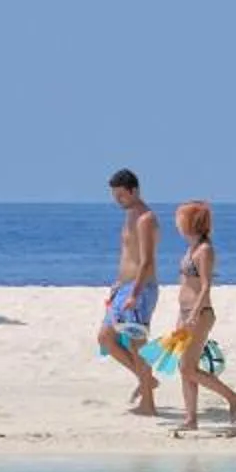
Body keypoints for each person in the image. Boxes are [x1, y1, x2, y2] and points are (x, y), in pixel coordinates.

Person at [166, 200, 236, 435]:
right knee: (184, 367)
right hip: (184, 315)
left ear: (190, 222)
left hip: (199, 315)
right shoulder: (189, 249)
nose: (177, 223)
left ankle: (233, 398)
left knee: (187, 368)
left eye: (180, 219)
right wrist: (182, 316)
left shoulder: (204, 250)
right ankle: (190, 418)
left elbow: (205, 285)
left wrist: (193, 313)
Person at [99, 168, 160, 417]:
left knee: (137, 346)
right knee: (105, 338)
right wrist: (118, 283)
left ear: (134, 191)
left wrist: (134, 293)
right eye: (115, 197)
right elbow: (128, 256)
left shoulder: (146, 219)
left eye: (122, 196)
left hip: (140, 289)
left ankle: (149, 404)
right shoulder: (130, 215)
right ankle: (147, 382)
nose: (118, 201)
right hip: (124, 288)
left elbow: (146, 261)